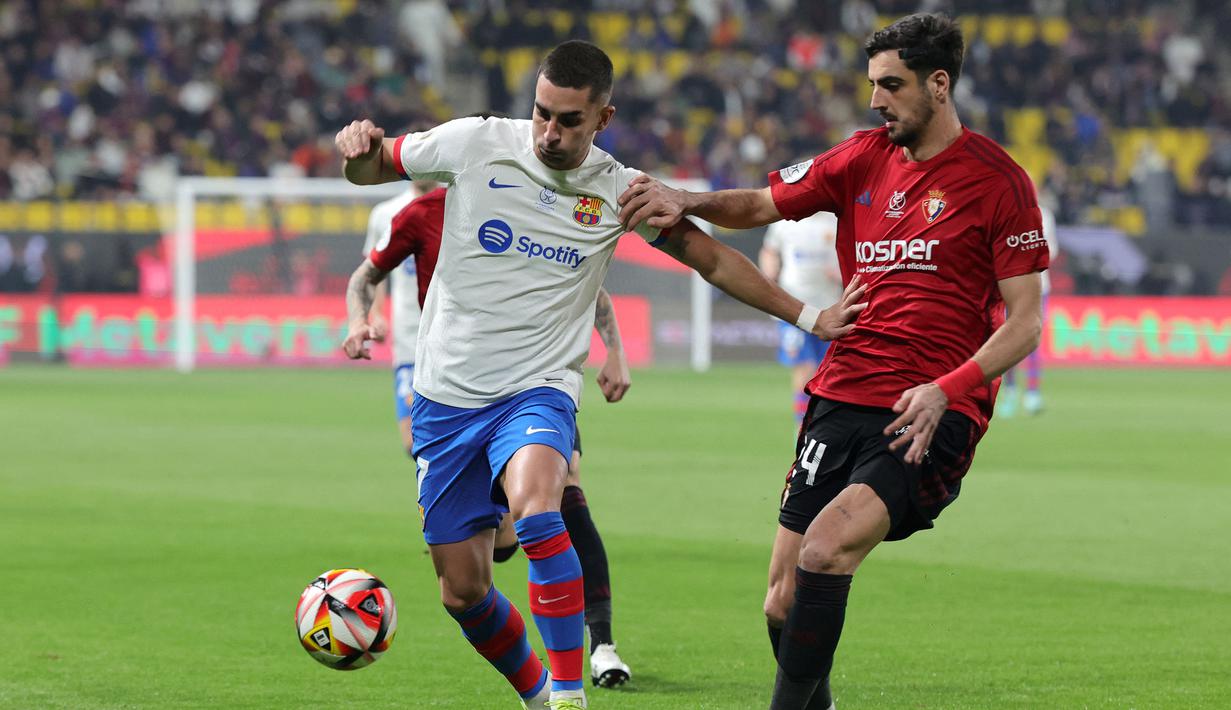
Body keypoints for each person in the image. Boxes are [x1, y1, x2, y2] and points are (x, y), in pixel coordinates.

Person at [336, 40, 865, 710]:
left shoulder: (621, 191)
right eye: (541, 114)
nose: (549, 133)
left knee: (536, 509)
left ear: (602, 119)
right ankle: (535, 694)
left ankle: (567, 694)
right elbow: (369, 168)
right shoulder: (474, 142)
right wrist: (355, 153)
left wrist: (808, 315)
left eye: (568, 121)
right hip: (445, 396)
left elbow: (712, 260)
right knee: (462, 590)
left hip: (537, 389)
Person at [617, 14, 1049, 709]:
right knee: (782, 602)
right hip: (840, 393)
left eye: (891, 85)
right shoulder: (858, 158)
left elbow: (1025, 323)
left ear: (939, 85)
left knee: (825, 552)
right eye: (872, 85)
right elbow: (759, 203)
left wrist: (949, 388)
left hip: (927, 413)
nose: (875, 100)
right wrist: (683, 197)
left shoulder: (998, 182)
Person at [347, 182, 635, 687]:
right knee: (472, 573)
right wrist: (359, 320)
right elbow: (366, 276)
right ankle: (539, 685)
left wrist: (614, 350)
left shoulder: (526, 197)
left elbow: (583, 280)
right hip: (447, 379)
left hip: (537, 378)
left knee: (560, 495)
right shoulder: (416, 214)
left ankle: (599, 649)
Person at [758, 210, 843, 426]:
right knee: (804, 370)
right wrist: (769, 274)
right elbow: (769, 250)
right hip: (793, 309)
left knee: (829, 373)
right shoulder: (786, 221)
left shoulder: (836, 219)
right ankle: (802, 428)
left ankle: (824, 425)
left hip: (831, 309)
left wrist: (841, 273)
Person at [999, 204, 1057, 417]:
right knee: (1006, 340)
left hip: (1039, 287)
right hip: (1010, 285)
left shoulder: (1045, 214)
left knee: (1033, 339)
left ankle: (1032, 393)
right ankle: (1010, 391)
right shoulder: (1006, 212)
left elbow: (1053, 249)